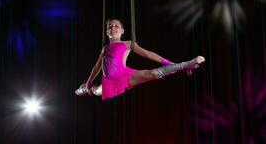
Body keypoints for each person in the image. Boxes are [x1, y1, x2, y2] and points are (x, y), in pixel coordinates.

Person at [75, 19, 205, 100]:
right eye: (110, 26)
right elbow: (97, 66)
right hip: (108, 82)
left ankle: (187, 64)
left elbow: (149, 54)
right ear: (107, 31)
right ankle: (85, 88)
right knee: (94, 90)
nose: (113, 27)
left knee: (153, 74)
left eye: (116, 26)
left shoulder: (128, 44)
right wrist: (89, 81)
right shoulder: (105, 49)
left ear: (122, 31)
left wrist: (171, 63)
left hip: (124, 76)